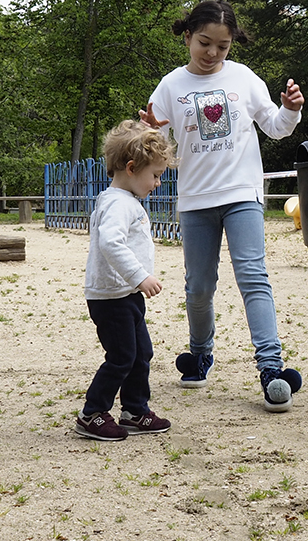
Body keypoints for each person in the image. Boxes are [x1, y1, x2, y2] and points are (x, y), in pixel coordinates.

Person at [140, 0, 305, 413]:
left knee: (253, 276)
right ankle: (200, 353)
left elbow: (275, 127)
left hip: (241, 194)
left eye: (223, 46)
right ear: (187, 38)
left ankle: (271, 368)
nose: (213, 53)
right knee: (198, 286)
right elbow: (151, 141)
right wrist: (145, 134)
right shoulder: (170, 86)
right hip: (195, 200)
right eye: (204, 42)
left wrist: (290, 109)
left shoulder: (244, 78)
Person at [75, 120, 176, 441]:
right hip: (111, 298)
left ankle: (134, 410)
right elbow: (110, 242)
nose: (158, 183)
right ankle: (92, 414)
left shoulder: (125, 201)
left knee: (140, 352)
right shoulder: (118, 204)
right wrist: (140, 276)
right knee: (121, 358)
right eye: (156, 175)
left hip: (125, 295)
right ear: (131, 168)